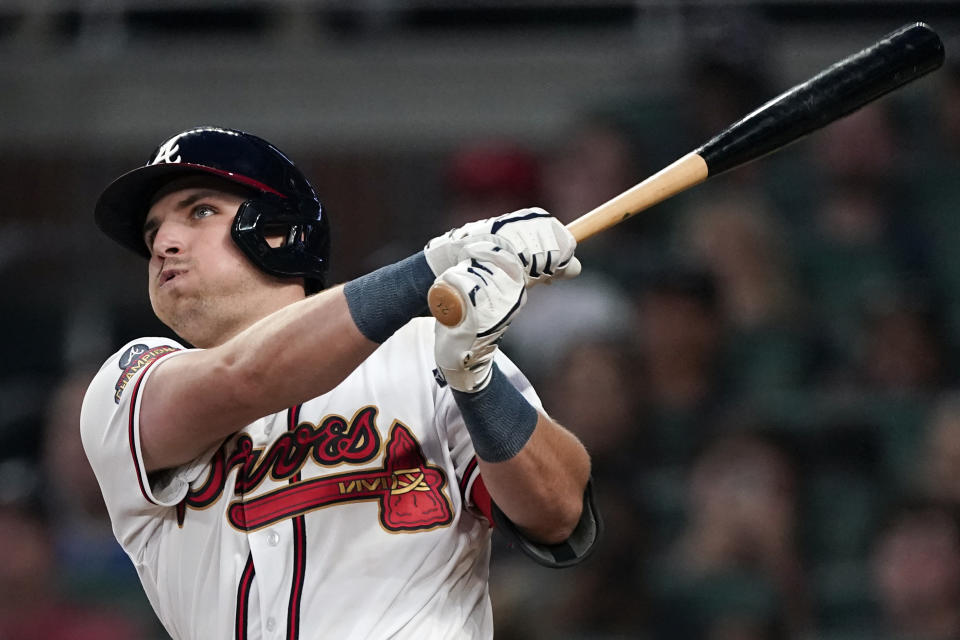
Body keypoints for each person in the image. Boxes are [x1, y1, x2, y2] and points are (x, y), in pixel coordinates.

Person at [79, 126, 598, 639]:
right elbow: (245, 377)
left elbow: (557, 515)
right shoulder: (127, 384)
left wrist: (477, 382)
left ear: (277, 230)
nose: (164, 244)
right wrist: (431, 269)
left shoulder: (427, 350)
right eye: (152, 234)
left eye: (200, 212)